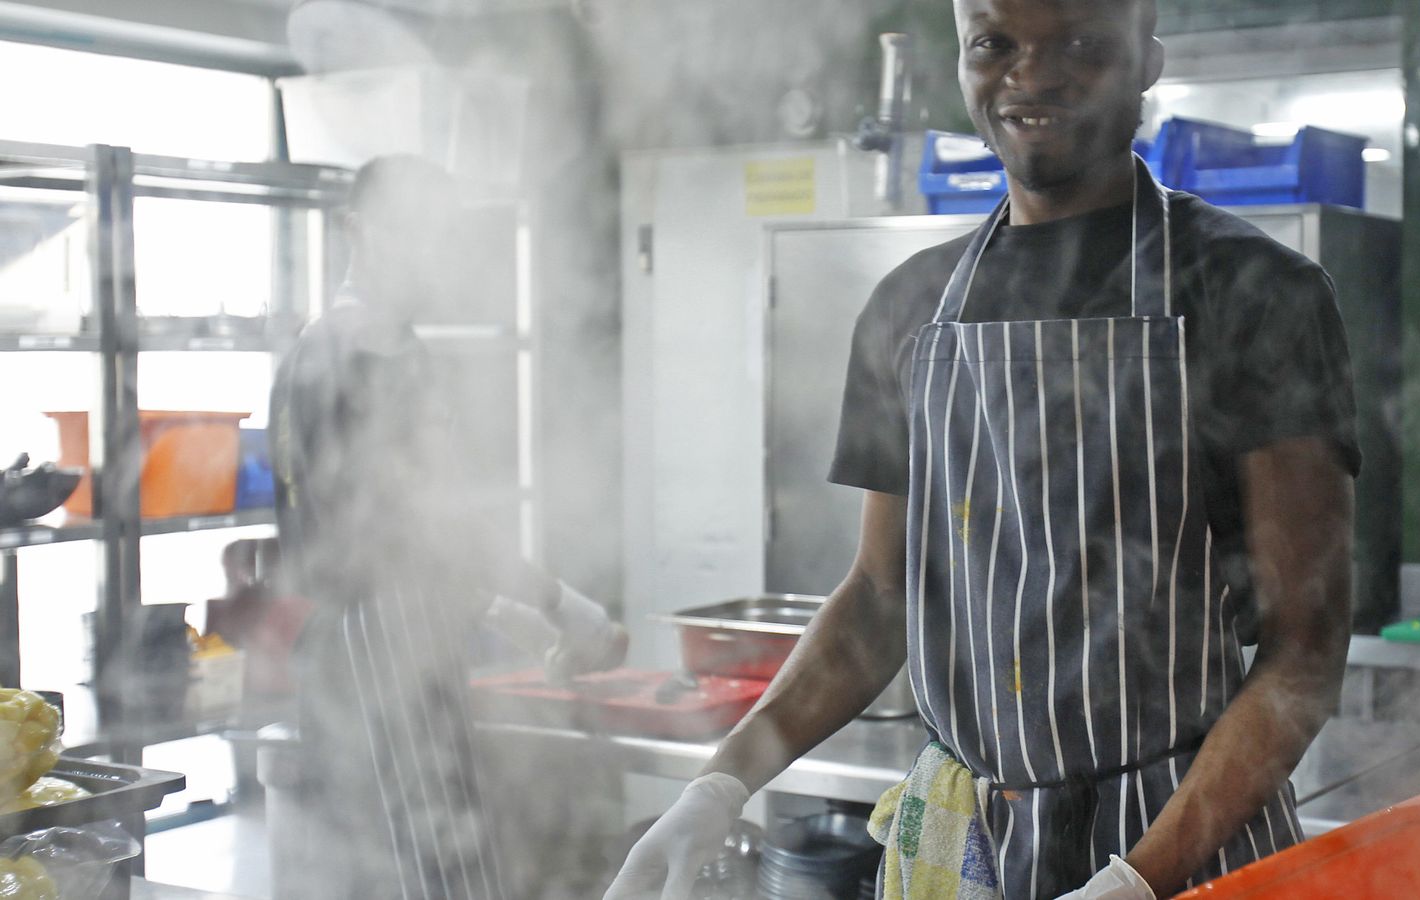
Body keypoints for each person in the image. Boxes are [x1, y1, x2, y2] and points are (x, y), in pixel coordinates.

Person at [607, 0, 1358, 897]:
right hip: (963, 850)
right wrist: (719, 785)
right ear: (962, 61)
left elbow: (1305, 651)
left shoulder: (1257, 292)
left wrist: (1135, 881)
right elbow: (880, 598)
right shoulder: (910, 309)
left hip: (1187, 849)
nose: (1031, 76)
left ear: (1147, 62)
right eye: (995, 43)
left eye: (1081, 45)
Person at [271, 155, 627, 900]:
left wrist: (496, 610)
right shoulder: (347, 356)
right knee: (429, 878)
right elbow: (423, 525)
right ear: (355, 229)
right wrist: (560, 605)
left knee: (436, 870)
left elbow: (414, 537)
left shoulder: (394, 352)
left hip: (405, 649)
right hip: (373, 663)